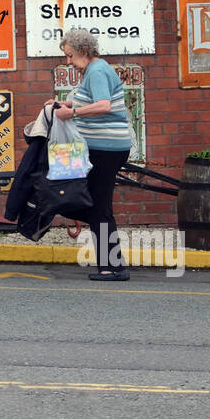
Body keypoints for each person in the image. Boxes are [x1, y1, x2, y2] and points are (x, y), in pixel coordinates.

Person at [49, 27, 134, 281]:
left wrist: (72, 113)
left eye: (70, 56)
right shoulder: (96, 70)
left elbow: (104, 105)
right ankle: (113, 265)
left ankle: (112, 267)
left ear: (84, 51)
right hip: (105, 148)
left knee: (98, 206)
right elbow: (94, 101)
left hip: (105, 149)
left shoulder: (96, 70)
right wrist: (67, 104)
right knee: (97, 205)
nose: (68, 62)